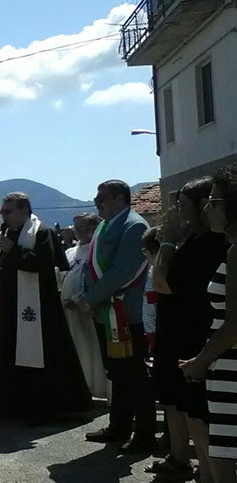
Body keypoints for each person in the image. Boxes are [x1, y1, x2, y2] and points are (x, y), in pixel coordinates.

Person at [0, 193, 90, 421]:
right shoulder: (4, 233)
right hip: (7, 308)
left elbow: (43, 263)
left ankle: (41, 407)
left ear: (24, 211)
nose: (3, 216)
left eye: (8, 211)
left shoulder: (42, 232)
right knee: (10, 355)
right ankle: (12, 406)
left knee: (38, 356)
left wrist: (13, 250)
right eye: (2, 212)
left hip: (37, 309)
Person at [147, 179, 227, 483]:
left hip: (199, 341)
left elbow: (161, 282)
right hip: (184, 339)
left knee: (202, 418)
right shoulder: (192, 242)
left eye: (182, 206)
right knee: (193, 416)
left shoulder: (206, 245)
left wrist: (165, 243)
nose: (176, 213)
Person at [178, 165, 237, 483]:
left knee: (225, 448)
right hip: (226, 364)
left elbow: (233, 324)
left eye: (214, 202)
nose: (208, 209)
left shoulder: (236, 252)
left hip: (230, 363)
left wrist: (200, 362)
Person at [78, 180, 153, 453]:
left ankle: (144, 434)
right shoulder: (104, 225)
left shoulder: (134, 226)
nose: (97, 202)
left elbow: (123, 272)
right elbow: (91, 267)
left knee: (134, 375)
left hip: (125, 313)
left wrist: (90, 299)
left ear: (120, 198)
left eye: (103, 198)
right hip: (104, 312)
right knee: (117, 373)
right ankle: (118, 426)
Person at [61, 213, 107, 399]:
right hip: (68, 310)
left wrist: (82, 299)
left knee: (91, 349)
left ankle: (98, 387)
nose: (78, 231)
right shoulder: (69, 253)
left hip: (88, 310)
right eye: (76, 227)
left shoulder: (97, 251)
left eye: (83, 227)